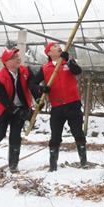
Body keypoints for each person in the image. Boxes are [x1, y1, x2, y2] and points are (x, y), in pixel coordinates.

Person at [39, 42, 88, 171]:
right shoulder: (45, 68)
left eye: (58, 46)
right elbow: (33, 83)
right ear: (49, 53)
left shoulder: (68, 62)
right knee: (55, 136)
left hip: (73, 104)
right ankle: (53, 165)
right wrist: (41, 89)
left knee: (78, 132)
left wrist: (68, 61)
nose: (58, 47)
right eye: (54, 47)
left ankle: (84, 161)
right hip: (57, 107)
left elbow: (78, 71)